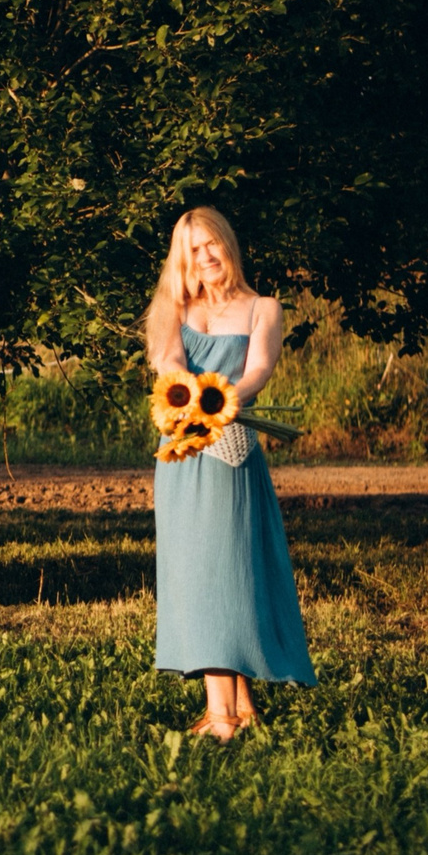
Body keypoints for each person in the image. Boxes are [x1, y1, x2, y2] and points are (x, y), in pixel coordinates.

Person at [146, 206, 315, 739]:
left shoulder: (264, 307)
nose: (206, 256)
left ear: (228, 245)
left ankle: (223, 719)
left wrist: (221, 400)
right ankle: (235, 707)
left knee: (230, 576)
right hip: (183, 454)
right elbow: (169, 361)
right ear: (183, 258)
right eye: (194, 249)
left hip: (233, 454)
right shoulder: (173, 307)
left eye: (212, 244)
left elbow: (259, 369)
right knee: (197, 577)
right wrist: (192, 397)